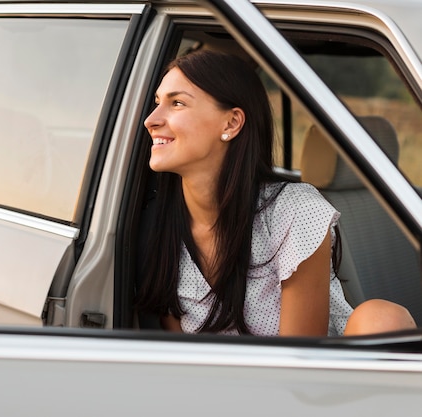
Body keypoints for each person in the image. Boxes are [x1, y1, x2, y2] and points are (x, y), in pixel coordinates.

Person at [134, 49, 416, 336]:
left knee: (381, 317)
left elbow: (298, 361)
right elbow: (178, 360)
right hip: (214, 380)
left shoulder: (294, 211)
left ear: (231, 123)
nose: (151, 120)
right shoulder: (153, 224)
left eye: (177, 103)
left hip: (309, 378)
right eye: (157, 103)